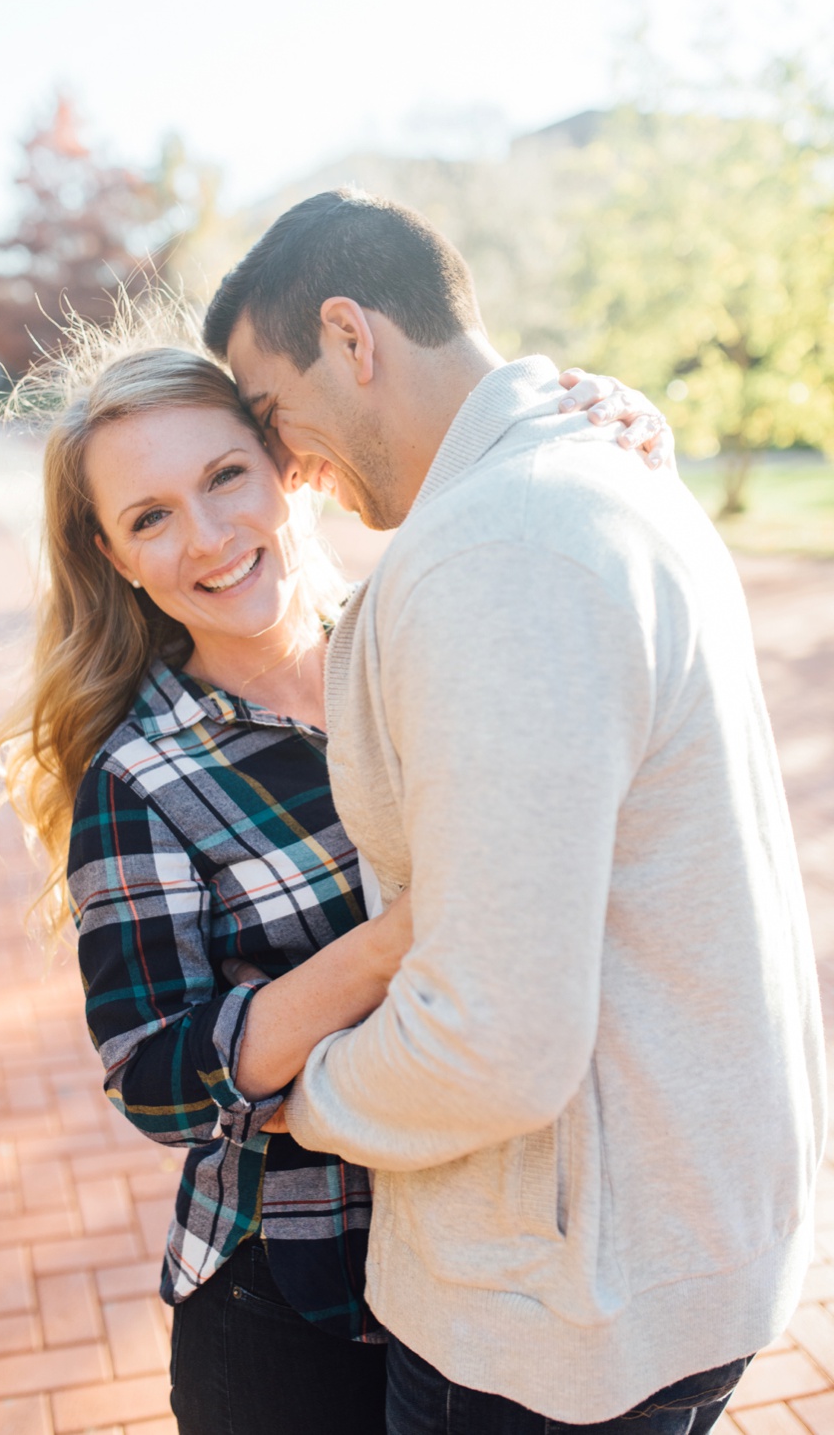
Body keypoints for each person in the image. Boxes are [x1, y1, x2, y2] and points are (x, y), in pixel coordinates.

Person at [0, 300, 673, 1434]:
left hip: (492, 1266)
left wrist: (607, 426)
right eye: (150, 517)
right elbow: (154, 1076)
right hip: (289, 1310)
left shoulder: (414, 639)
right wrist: (400, 939)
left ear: (287, 468)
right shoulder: (138, 777)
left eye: (224, 477)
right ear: (111, 555)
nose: (206, 538)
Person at [203, 189, 825, 1433]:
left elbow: (492, 1039)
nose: (282, 464)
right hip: (656, 1239)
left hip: (553, 1302)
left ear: (350, 335)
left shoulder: (500, 552)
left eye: (270, 413)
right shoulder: (590, 471)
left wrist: (303, 1094)